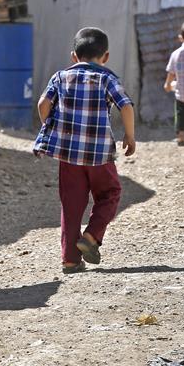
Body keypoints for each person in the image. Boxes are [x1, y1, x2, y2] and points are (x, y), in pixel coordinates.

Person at [33, 27, 136, 274]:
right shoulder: (108, 78)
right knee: (110, 193)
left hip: (69, 155)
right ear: (106, 56)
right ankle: (91, 237)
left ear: (73, 56)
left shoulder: (60, 77)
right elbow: (126, 105)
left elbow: (43, 104)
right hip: (99, 155)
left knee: (71, 205)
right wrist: (130, 136)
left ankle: (70, 260)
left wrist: (50, 127)